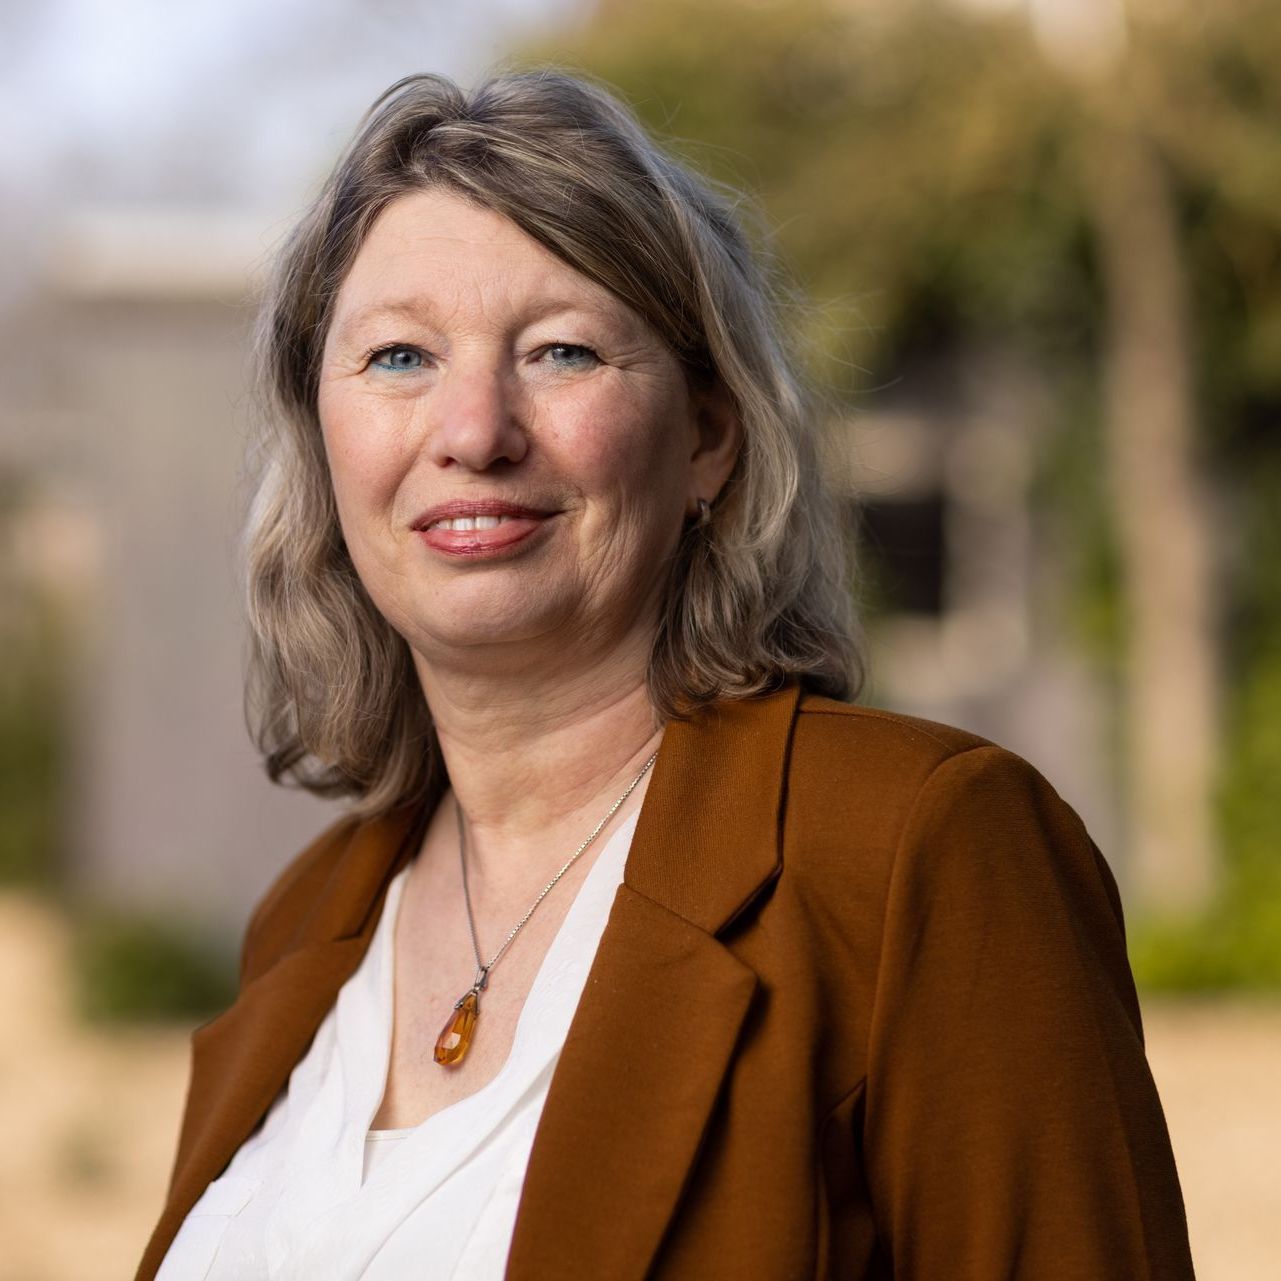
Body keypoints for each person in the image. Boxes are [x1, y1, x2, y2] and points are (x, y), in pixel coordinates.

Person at [136, 69, 1195, 1281]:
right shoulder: (307, 924)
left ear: (708, 436)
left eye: (562, 350)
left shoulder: (920, 856)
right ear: (322, 441)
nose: (473, 430)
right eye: (396, 358)